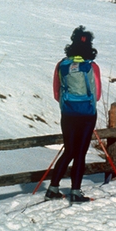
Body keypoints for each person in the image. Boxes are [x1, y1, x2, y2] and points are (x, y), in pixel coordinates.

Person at [45, 25, 102, 204]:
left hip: (68, 114)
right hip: (87, 115)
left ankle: (53, 188)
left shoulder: (62, 65)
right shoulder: (92, 66)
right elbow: (97, 95)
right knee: (80, 153)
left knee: (69, 150)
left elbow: (56, 94)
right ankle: (75, 192)